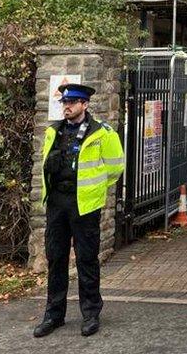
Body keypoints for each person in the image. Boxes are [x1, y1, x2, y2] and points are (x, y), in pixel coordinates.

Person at [34, 83, 125, 338]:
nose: (67, 106)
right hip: (57, 203)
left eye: (72, 102)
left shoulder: (102, 133)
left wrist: (94, 190)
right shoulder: (53, 132)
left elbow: (116, 167)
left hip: (84, 204)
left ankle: (91, 313)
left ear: (85, 105)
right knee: (56, 258)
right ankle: (54, 314)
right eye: (64, 102)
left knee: (86, 259)